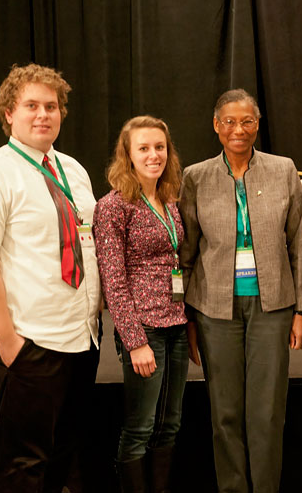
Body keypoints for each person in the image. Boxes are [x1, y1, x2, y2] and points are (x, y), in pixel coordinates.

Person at [0, 63, 101, 492]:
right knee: (22, 467)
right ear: (9, 114)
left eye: (51, 106)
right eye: (31, 105)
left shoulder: (73, 170)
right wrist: (9, 341)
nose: (43, 114)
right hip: (30, 342)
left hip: (81, 338)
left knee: (62, 459)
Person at [178, 88, 302, 493]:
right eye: (230, 121)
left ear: (258, 125)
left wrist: (301, 311)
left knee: (268, 411)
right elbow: (186, 251)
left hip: (273, 306)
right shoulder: (195, 177)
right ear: (216, 126)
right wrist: (187, 319)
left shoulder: (283, 169)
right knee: (226, 412)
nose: (239, 129)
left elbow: (298, 244)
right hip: (214, 308)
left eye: (247, 121)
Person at [94, 116, 188, 493]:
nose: (154, 155)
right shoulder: (114, 206)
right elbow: (113, 279)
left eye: (160, 147)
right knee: (140, 427)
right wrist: (134, 340)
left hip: (176, 324)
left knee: (170, 424)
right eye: (144, 148)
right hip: (144, 329)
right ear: (128, 155)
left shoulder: (168, 198)